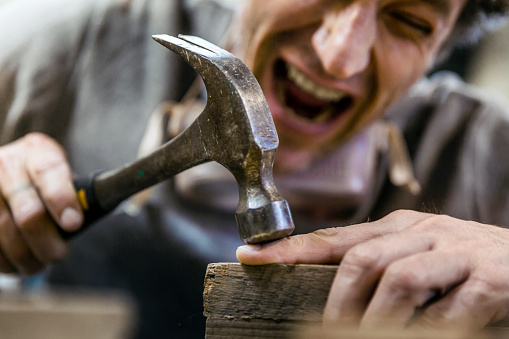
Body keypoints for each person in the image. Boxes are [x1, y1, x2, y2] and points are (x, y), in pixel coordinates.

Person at [1, 0, 509, 337]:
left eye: (411, 21)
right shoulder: (77, 54)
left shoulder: (487, 153)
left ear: (440, 49)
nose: (339, 57)